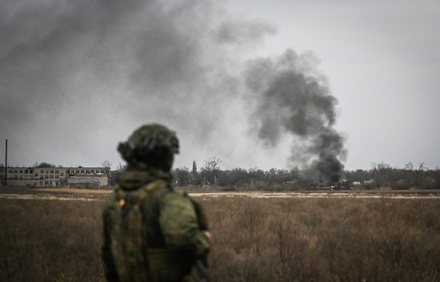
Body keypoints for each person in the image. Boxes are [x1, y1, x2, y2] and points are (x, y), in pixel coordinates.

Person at [102, 123, 211, 282]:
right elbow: (189, 245)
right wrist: (205, 238)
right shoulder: (168, 200)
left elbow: (108, 260)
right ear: (165, 157)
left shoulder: (114, 201)